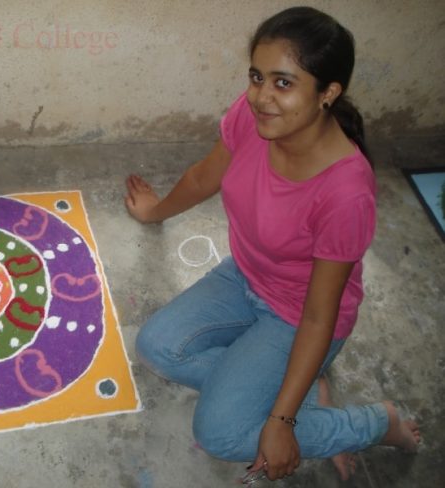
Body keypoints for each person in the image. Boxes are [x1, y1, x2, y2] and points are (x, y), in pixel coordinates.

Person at [124, 6, 420, 482]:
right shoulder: (253, 117)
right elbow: (203, 178)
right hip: (244, 277)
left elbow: (319, 316)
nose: (261, 97)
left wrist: (282, 422)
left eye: (283, 83)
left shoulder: (346, 193)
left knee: (221, 434)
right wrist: (153, 211)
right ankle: (298, 388)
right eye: (257, 77)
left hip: (298, 316)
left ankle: (373, 423)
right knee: (157, 348)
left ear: (328, 93)